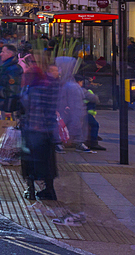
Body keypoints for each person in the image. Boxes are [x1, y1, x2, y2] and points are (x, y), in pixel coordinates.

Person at [21, 63, 60, 201]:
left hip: (34, 130)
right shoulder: (51, 87)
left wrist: (35, 126)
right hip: (49, 130)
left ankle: (31, 190)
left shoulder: (34, 89)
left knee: (29, 162)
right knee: (47, 162)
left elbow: (34, 109)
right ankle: (49, 190)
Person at [59, 71, 89, 151]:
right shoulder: (75, 87)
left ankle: (62, 143)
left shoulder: (67, 85)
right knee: (76, 127)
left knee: (67, 127)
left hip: (70, 110)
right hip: (74, 111)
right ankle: (77, 143)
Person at [76, 75, 105, 151]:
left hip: (68, 112)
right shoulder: (81, 90)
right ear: (79, 82)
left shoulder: (66, 87)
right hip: (81, 112)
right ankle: (93, 143)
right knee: (94, 125)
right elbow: (95, 98)